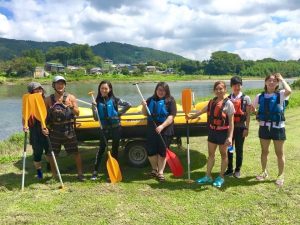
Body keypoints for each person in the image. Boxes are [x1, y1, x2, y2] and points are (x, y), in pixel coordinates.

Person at [187, 81, 234, 188]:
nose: (218, 91)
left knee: (224, 155)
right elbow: (200, 112)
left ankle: (221, 177)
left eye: (221, 89)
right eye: (216, 89)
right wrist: (191, 117)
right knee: (211, 155)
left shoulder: (228, 104)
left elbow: (231, 123)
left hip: (223, 132)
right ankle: (208, 176)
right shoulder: (211, 102)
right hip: (212, 132)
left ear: (225, 90)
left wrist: (230, 137)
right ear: (214, 91)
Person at [253, 73, 291, 187]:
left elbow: (289, 90)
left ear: (277, 83)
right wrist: (257, 114)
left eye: (274, 81)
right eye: (269, 80)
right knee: (264, 151)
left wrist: (282, 79)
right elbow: (252, 107)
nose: (271, 82)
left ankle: (280, 176)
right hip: (264, 127)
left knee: (279, 153)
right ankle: (264, 172)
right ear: (265, 82)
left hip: (278, 127)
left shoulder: (281, 94)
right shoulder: (260, 96)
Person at [43, 75, 84, 181]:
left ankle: (80, 174)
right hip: (54, 130)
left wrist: (71, 106)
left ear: (65, 85)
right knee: (53, 154)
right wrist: (44, 127)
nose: (60, 85)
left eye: (62, 83)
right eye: (58, 83)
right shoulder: (48, 99)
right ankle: (54, 175)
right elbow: (43, 116)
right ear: (54, 85)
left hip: (68, 129)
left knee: (75, 152)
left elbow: (77, 113)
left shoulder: (71, 97)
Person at [91, 80, 131, 181]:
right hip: (104, 129)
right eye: (102, 88)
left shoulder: (115, 99)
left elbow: (128, 104)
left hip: (116, 128)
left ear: (110, 89)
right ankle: (95, 171)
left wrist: (118, 114)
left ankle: (114, 171)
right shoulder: (97, 101)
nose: (103, 90)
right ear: (99, 89)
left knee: (115, 149)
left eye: (106, 88)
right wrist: (93, 108)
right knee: (101, 149)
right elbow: (96, 118)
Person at [141, 82, 177, 182]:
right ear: (156, 90)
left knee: (162, 151)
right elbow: (144, 113)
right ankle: (154, 169)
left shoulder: (171, 101)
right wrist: (144, 106)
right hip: (152, 128)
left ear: (166, 91)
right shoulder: (150, 99)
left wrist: (162, 126)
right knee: (151, 151)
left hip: (165, 129)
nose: (161, 92)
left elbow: (171, 116)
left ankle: (160, 172)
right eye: (159, 89)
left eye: (163, 90)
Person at [224, 76, 251, 178]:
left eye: (239, 85)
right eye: (235, 85)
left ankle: (238, 169)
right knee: (230, 148)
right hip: (230, 128)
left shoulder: (246, 98)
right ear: (231, 86)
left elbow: (248, 115)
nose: (237, 87)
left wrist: (246, 128)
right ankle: (229, 169)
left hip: (240, 128)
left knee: (239, 149)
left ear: (241, 86)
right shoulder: (227, 98)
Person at [22, 82, 50, 180]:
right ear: (31, 91)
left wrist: (45, 127)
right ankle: (39, 172)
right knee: (37, 153)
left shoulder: (46, 101)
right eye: (36, 89)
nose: (39, 91)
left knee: (48, 151)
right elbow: (24, 118)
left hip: (46, 130)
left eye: (40, 89)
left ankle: (49, 166)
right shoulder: (28, 103)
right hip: (35, 133)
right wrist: (25, 126)